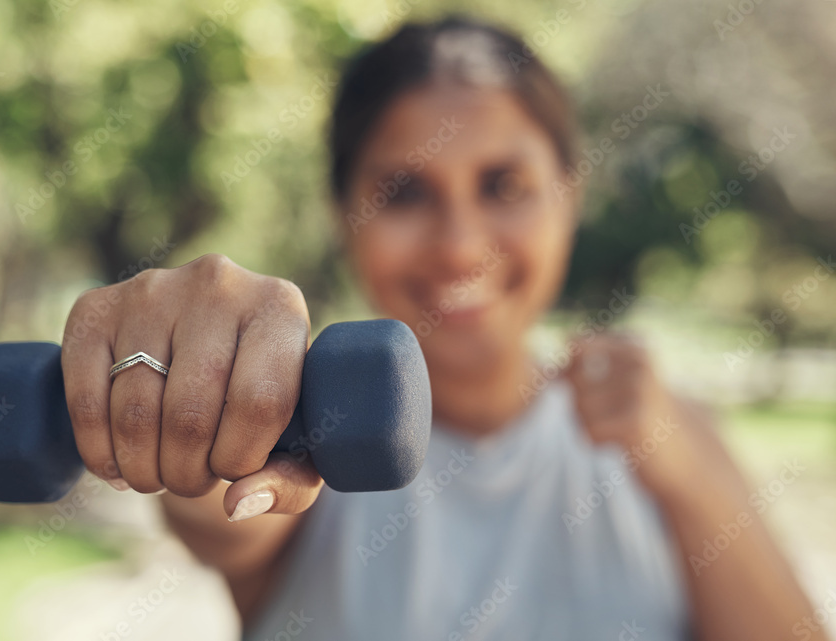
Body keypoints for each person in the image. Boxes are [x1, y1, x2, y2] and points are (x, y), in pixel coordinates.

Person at [59, 16, 819, 641]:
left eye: (505, 185)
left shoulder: (666, 431)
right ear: (341, 213)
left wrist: (686, 464)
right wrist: (192, 401)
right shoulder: (289, 427)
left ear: (570, 196)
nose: (459, 243)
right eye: (404, 192)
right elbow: (221, 514)